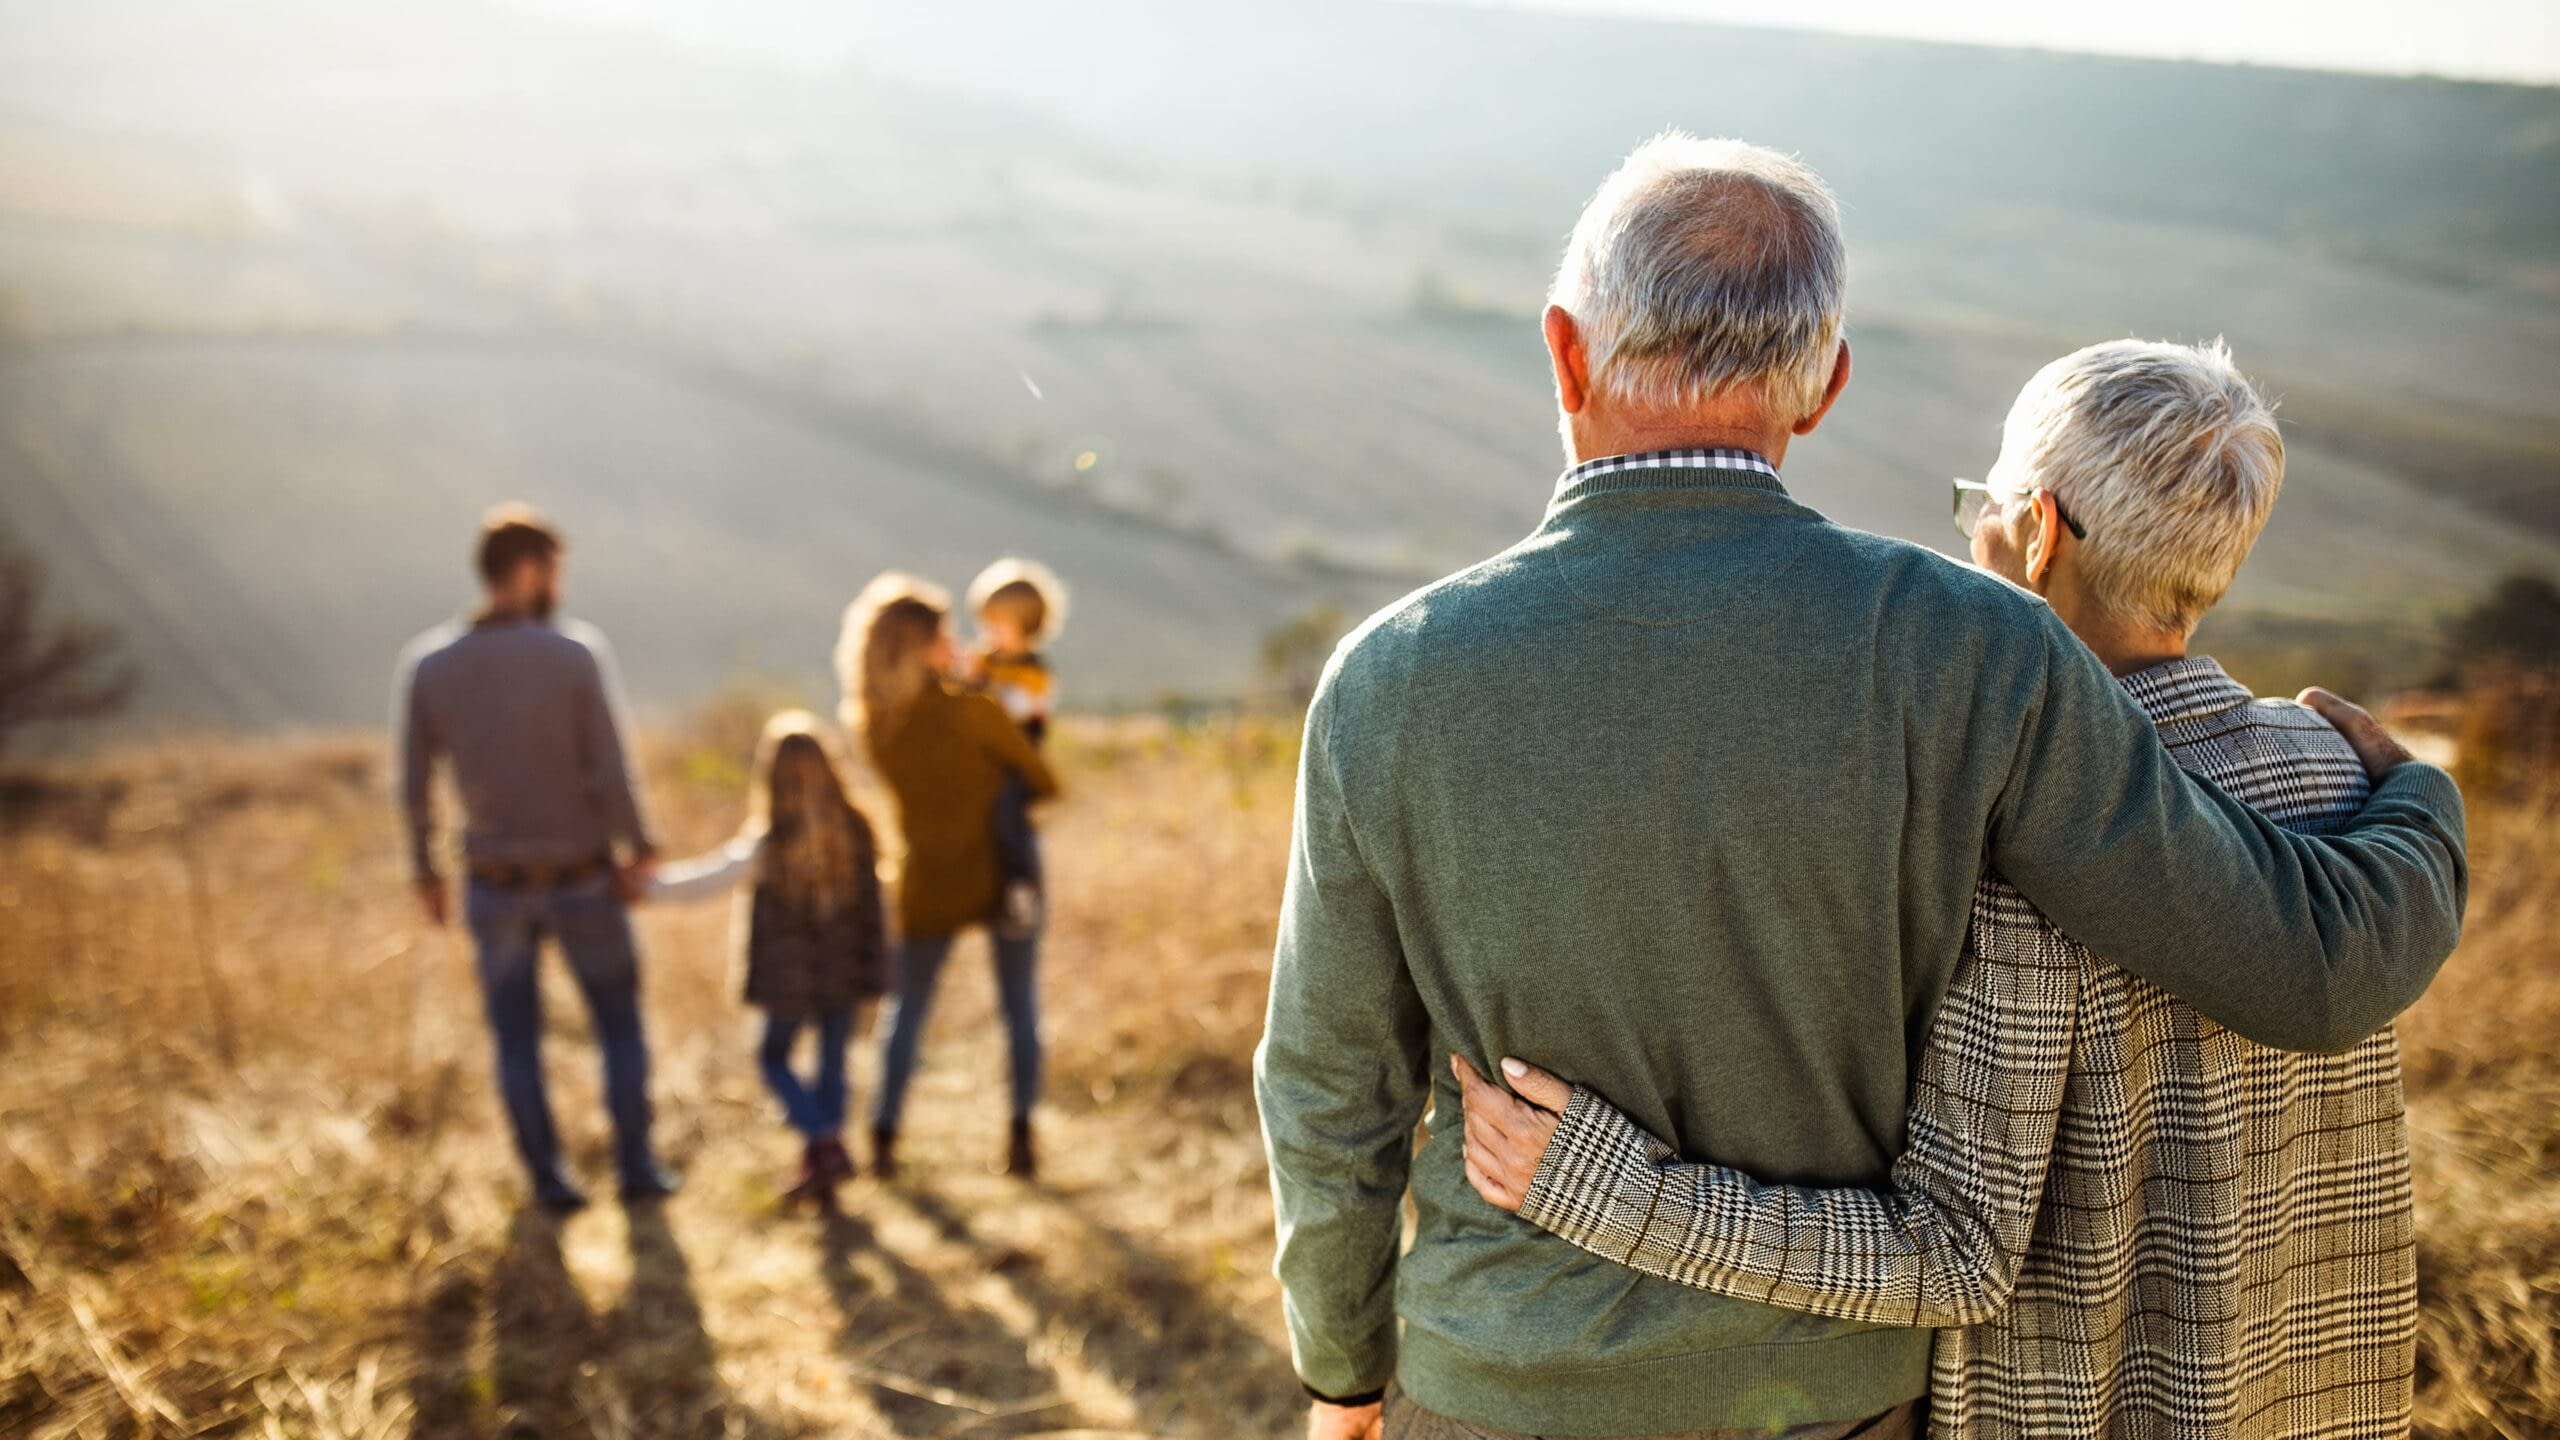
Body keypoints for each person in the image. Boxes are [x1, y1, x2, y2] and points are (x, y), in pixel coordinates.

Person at [1253, 134, 2468, 1440]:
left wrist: (1341, 1371)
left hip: (1493, 1382)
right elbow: (2294, 961)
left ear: (1562, 349)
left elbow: (1330, 1094)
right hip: (1827, 1401)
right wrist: (2419, 806)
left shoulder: (1390, 677)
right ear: (1824, 386)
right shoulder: (1974, 647)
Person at [1454, 337, 2430, 1438]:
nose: (1970, 531)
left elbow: (1957, 1256)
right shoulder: (2343, 771)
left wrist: (1609, 1190)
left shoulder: (2012, 837)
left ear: (2039, 534)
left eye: (1985, 503)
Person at [396, 504, 678, 1214]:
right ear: (528, 569)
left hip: (491, 884)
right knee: (619, 1025)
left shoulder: (430, 665)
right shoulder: (573, 654)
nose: (559, 585)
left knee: (515, 1038)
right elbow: (610, 769)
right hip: (582, 875)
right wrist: (639, 847)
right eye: (554, 569)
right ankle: (637, 1168)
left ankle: (550, 1182)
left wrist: (425, 872)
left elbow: (413, 781)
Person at [838, 573, 1061, 1182]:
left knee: (904, 1011)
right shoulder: (974, 712)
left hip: (927, 877)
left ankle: (882, 1137)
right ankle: (1020, 1136)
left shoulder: (873, 726)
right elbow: (1044, 779)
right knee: (1019, 1007)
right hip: (1005, 871)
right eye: (944, 633)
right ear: (923, 645)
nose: (957, 640)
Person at [652, 711, 889, 1209]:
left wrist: (647, 888)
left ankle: (824, 1144)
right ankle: (824, 1156)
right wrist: (875, 964)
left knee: (773, 1057)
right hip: (844, 971)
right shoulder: (857, 828)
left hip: (790, 978)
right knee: (831, 1064)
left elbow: (709, 879)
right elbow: (877, 905)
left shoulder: (770, 840)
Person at [961, 557, 1070, 937]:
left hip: (1019, 764)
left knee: (1008, 815)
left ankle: (1020, 888)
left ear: (1025, 626)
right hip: (984, 761)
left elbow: (1017, 711)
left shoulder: (1035, 672)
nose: (987, 631)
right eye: (984, 622)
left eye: (997, 623)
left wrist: (981, 686)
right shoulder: (984, 661)